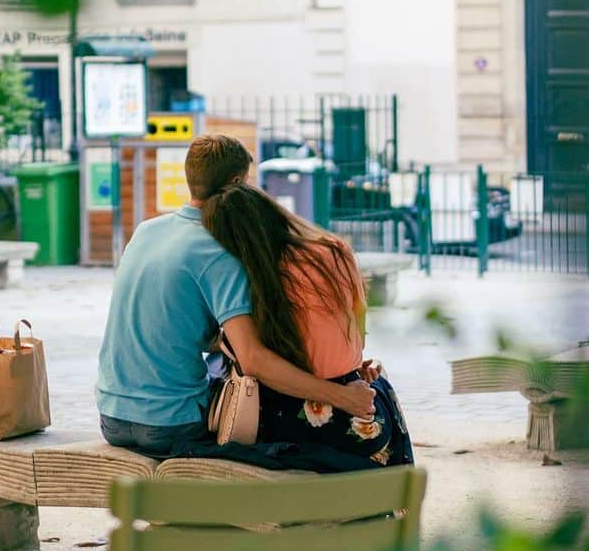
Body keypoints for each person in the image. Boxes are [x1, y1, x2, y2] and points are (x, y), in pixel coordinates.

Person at [96, 135, 376, 457]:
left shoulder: (146, 230)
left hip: (111, 416)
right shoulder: (220, 252)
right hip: (171, 424)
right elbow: (253, 359)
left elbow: (169, 324)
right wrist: (342, 396)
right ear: (236, 183)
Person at [201, 182, 412, 467]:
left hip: (289, 420)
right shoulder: (336, 251)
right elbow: (358, 339)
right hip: (364, 417)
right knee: (380, 384)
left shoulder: (249, 278)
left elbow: (252, 358)